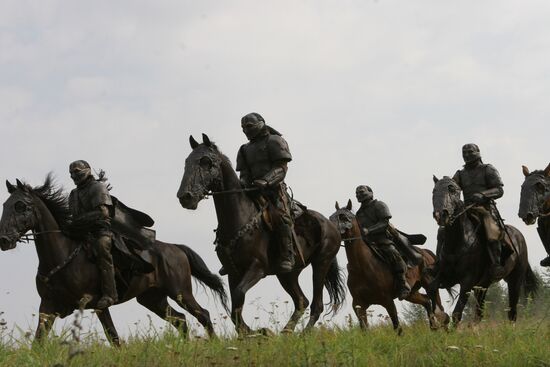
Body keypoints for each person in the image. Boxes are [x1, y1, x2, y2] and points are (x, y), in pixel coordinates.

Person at [220, 112, 295, 274]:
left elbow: (281, 168)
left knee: (282, 218)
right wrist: (244, 183)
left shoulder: (275, 141)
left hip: (274, 191)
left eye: (249, 126)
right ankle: (232, 255)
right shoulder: (244, 149)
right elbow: (245, 173)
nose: (245, 130)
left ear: (261, 123)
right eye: (243, 128)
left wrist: (266, 180)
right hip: (252, 191)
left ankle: (287, 255)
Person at [68, 160, 117, 309]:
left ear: (87, 170)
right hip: (83, 233)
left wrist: (80, 220)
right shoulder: (73, 194)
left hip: (101, 231)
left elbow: (103, 212)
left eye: (77, 171)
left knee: (102, 247)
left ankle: (110, 294)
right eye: (71, 173)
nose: (74, 175)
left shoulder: (97, 187)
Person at [452, 143, 505, 278]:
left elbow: (499, 190)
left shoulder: (488, 169)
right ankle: (442, 263)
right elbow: (452, 190)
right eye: (464, 153)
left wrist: (483, 195)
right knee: (445, 230)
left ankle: (496, 264)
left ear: (478, 152)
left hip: (485, 208)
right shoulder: (460, 174)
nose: (467, 155)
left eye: (470, 152)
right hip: (466, 209)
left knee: (491, 230)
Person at [355, 185, 411, 300]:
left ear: (370, 192)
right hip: (367, 242)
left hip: (382, 238)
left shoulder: (379, 205)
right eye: (357, 193)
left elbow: (384, 223)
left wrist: (369, 230)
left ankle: (402, 283)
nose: (359, 194)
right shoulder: (358, 213)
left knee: (392, 252)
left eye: (361, 192)